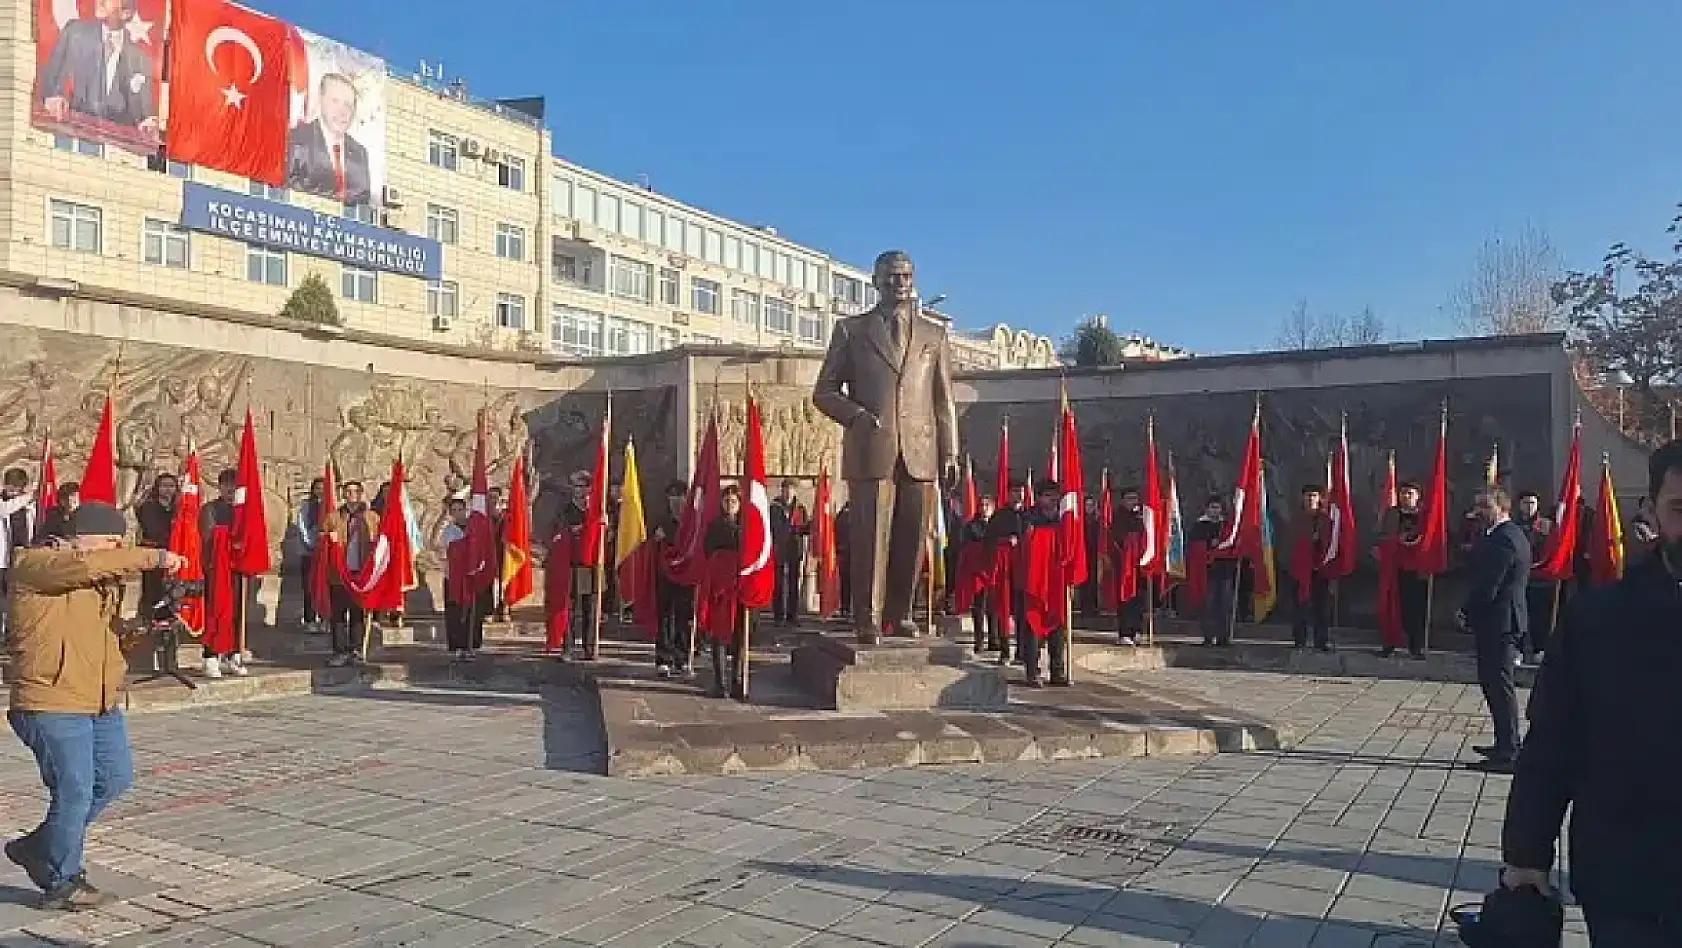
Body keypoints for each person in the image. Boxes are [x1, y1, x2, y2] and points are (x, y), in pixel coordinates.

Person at [1500, 440, 1682, 945]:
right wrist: (1526, 856)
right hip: (1629, 880)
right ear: (1651, 512)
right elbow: (1551, 744)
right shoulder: (1598, 620)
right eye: (1680, 509)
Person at [4, 501, 184, 910]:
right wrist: (155, 556)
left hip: (99, 698)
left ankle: (38, 848)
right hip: (50, 698)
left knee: (114, 778)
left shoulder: (103, 582)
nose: (116, 548)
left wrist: (140, 630)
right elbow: (86, 568)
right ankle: (62, 880)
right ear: (81, 536)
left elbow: (107, 639)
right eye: (111, 540)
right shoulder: (36, 564)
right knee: (75, 790)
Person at [811, 250, 959, 643]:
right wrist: (857, 416)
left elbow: (943, 400)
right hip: (871, 447)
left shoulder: (934, 335)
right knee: (869, 539)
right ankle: (868, 618)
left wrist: (950, 452)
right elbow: (823, 392)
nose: (901, 283)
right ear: (876, 281)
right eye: (892, 277)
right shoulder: (852, 330)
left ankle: (901, 613)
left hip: (921, 450)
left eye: (907, 276)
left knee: (912, 538)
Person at [1456, 487, 1530, 772]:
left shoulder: (1506, 540)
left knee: (1500, 687)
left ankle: (1509, 751)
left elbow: (1490, 584)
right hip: (1496, 620)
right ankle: (1504, 742)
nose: (1478, 513)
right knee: (1493, 684)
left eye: (1484, 508)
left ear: (1500, 507)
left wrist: (1466, 611)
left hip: (1500, 621)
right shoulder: (1499, 535)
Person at [35, 0, 159, 143]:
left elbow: (143, 109)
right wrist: (53, 95)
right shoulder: (75, 32)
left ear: (126, 13)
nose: (99, 1)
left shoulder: (139, 59)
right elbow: (52, 74)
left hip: (112, 146)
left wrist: (148, 121)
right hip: (69, 135)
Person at [285, 73, 372, 205]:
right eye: (335, 101)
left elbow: (362, 198)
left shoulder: (360, 153)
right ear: (320, 99)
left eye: (348, 105)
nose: (342, 112)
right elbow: (290, 186)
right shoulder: (297, 139)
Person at [1016, 479, 1070, 688]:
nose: (1053, 499)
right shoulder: (1027, 518)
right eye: (1048, 495)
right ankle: (1033, 671)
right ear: (1039, 498)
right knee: (1034, 626)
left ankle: (1058, 670)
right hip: (1035, 581)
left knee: (1058, 626)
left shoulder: (1063, 518)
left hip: (1056, 580)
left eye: (1055, 495)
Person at [322, 480, 379, 667]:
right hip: (338, 573)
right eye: (348, 491)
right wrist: (327, 539)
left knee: (357, 613)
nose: (352, 494)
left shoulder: (371, 518)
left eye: (355, 491)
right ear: (343, 494)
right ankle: (339, 651)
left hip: (360, 573)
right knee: (338, 615)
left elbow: (380, 543)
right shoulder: (333, 517)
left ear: (361, 494)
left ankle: (356, 649)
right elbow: (320, 543)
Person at [700, 486, 746, 699]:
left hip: (740, 589)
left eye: (733, 500)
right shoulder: (715, 526)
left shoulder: (747, 526)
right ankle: (720, 683)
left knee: (740, 636)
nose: (729, 503)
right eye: (726, 499)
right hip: (720, 588)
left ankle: (737, 680)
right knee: (719, 636)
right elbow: (707, 552)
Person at [652, 480, 695, 679]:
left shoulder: (692, 522)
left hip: (686, 575)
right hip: (665, 574)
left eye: (680, 496)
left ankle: (682, 657)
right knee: (665, 616)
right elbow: (653, 542)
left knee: (684, 618)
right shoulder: (660, 519)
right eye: (672, 497)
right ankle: (663, 658)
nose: (676, 501)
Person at [1285, 483, 1332, 651]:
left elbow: (1331, 544)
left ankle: (1321, 641)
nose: (1310, 499)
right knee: (1299, 607)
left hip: (1320, 570)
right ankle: (1299, 640)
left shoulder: (1327, 520)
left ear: (1320, 499)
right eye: (1307, 496)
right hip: (1299, 569)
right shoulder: (1297, 519)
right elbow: (1290, 543)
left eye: (1314, 495)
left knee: (1322, 607)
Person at [440, 497, 486, 661]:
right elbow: (446, 551)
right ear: (451, 513)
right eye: (455, 511)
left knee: (472, 611)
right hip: (453, 578)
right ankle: (457, 645)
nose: (458, 513)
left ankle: (471, 644)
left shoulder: (474, 528)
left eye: (461, 509)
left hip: (471, 577)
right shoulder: (448, 531)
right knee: (455, 612)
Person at [1191, 496, 1237, 646]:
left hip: (1225, 572)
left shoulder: (1227, 526)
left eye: (1217, 508)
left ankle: (1223, 636)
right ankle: (1208, 636)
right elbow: (1194, 547)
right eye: (1212, 507)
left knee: (1224, 605)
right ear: (1206, 509)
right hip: (1207, 572)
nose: (1215, 511)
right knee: (1208, 604)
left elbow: (1233, 544)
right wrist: (1210, 544)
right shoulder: (1199, 526)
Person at [133, 473, 178, 624]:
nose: (168, 490)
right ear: (157, 488)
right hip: (153, 555)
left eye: (171, 486)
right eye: (164, 486)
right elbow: (152, 530)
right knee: (153, 591)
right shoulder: (149, 507)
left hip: (173, 556)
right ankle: (150, 621)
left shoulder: (178, 509)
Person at [0, 468, 37, 642]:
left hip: (23, 558)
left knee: (19, 599)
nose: (11, 491)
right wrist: (27, 497)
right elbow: (4, 510)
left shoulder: (27, 505)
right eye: (10, 487)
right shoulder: (4, 502)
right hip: (2, 561)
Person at [769, 479, 808, 626]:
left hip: (794, 548)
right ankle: (778, 615)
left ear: (795, 491)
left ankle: (792, 615)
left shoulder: (800, 508)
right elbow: (771, 526)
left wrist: (808, 527)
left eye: (791, 489)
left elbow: (805, 527)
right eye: (785, 489)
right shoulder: (774, 507)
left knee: (793, 582)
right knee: (778, 583)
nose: (788, 492)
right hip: (779, 548)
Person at [297, 477, 327, 632]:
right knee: (309, 586)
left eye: (324, 487)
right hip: (308, 552)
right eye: (317, 488)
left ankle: (324, 618)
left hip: (326, 553)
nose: (321, 491)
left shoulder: (330, 506)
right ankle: (310, 618)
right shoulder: (306, 506)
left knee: (325, 586)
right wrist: (311, 543)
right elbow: (302, 526)